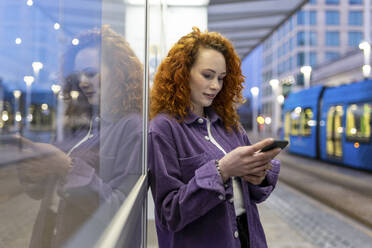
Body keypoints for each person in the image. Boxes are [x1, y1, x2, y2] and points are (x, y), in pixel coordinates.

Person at [148, 27, 282, 248]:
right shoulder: (163, 129)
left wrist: (258, 176)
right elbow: (169, 213)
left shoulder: (228, 124)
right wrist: (222, 171)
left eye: (221, 78)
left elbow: (254, 196)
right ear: (181, 72)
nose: (215, 86)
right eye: (207, 75)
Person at [17, 25, 143, 248]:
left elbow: (124, 211)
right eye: (78, 76)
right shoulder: (81, 122)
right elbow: (51, 190)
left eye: (91, 73)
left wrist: (66, 166)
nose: (83, 82)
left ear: (117, 71)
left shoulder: (132, 127)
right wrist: (35, 170)